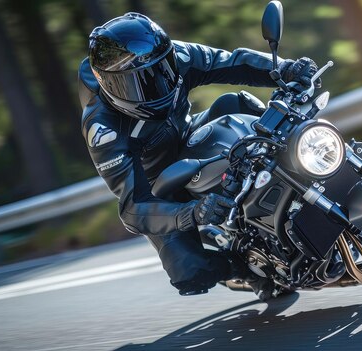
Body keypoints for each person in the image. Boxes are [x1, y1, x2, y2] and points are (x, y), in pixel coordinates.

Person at [78, 12, 318, 299]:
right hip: (160, 188)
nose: (155, 85)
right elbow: (132, 208)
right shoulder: (103, 129)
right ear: (109, 86)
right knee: (190, 272)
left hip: (191, 134)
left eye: (159, 72)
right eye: (137, 83)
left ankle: (310, 168)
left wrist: (289, 70)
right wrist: (190, 213)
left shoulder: (178, 54)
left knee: (235, 103)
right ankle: (247, 270)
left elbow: (232, 62)